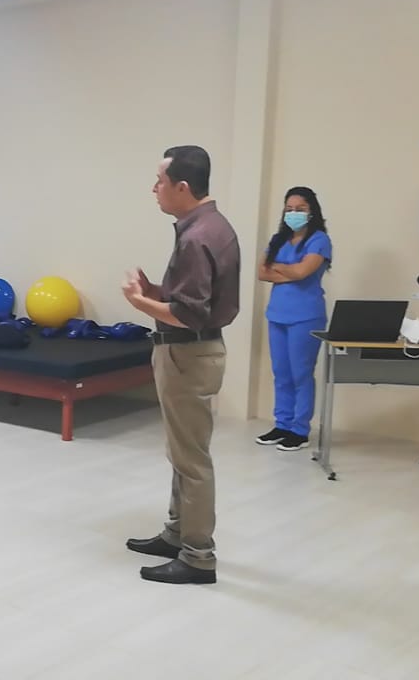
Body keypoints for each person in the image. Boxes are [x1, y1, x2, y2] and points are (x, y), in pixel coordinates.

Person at [122, 145, 240, 585]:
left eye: (160, 181)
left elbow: (189, 314)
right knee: (182, 453)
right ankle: (176, 534)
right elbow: (194, 299)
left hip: (188, 354)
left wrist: (139, 302)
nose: (154, 188)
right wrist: (156, 291)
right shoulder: (212, 226)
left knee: (191, 460)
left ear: (183, 187)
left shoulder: (196, 236)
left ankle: (197, 556)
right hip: (193, 351)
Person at [256, 187, 332, 452]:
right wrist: (291, 270)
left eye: (300, 209)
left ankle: (300, 430)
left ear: (312, 211)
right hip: (277, 314)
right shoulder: (279, 239)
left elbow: (302, 272)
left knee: (301, 373)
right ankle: (282, 424)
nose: (293, 213)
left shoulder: (319, 240)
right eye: (289, 209)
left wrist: (279, 267)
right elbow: (261, 273)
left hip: (306, 317)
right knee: (281, 373)